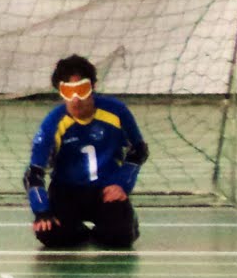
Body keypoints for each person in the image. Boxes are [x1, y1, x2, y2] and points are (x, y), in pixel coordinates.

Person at [24, 54, 147, 249]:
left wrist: (121, 184)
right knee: (49, 233)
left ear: (93, 87)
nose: (75, 100)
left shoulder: (116, 112)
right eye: (68, 92)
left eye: (81, 90)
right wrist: (42, 211)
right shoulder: (53, 123)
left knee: (119, 236)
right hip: (66, 192)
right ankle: (79, 232)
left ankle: (123, 222)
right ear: (60, 93)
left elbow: (139, 151)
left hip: (105, 191)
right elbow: (34, 173)